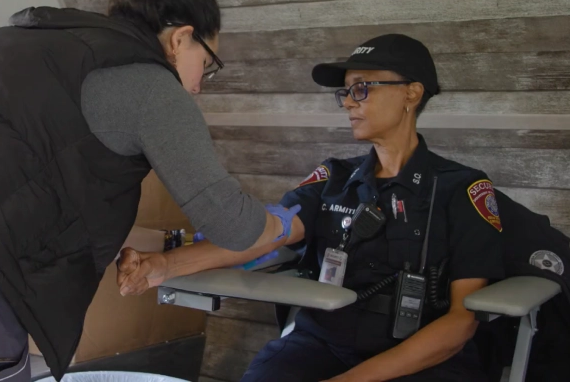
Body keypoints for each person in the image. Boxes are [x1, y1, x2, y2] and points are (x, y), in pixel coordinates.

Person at [0, 0, 299, 382]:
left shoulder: (30, 42)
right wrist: (281, 224)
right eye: (208, 63)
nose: (198, 85)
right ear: (181, 39)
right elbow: (230, 223)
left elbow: (30, 174)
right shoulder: (149, 86)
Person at [118, 34, 505, 381]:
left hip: (424, 357)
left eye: (363, 89)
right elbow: (262, 233)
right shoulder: (333, 179)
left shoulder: (462, 188)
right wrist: (163, 266)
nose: (349, 103)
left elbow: (460, 322)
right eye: (347, 93)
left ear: (412, 93)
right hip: (323, 342)